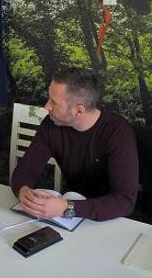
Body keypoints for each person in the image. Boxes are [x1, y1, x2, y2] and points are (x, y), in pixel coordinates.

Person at [10, 68, 138, 221]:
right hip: (71, 213)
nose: (46, 106)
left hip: (113, 220)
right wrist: (23, 191)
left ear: (79, 111)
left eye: (54, 102)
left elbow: (124, 202)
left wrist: (67, 207)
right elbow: (25, 170)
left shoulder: (118, 132)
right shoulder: (51, 124)